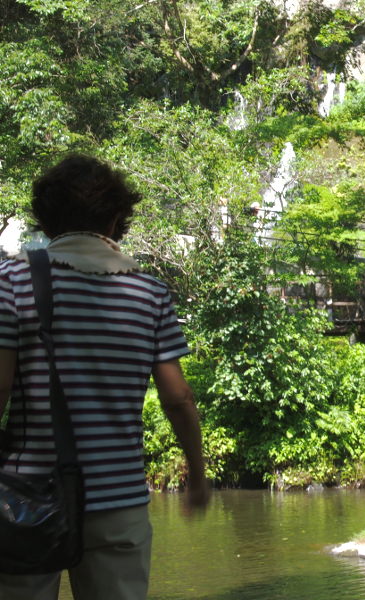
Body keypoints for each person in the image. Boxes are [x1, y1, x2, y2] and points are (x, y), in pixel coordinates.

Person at [0, 154, 209, 600]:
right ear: (117, 218)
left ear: (47, 219)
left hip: (25, 499)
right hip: (119, 504)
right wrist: (197, 473)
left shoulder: (11, 280)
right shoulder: (150, 292)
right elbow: (178, 399)